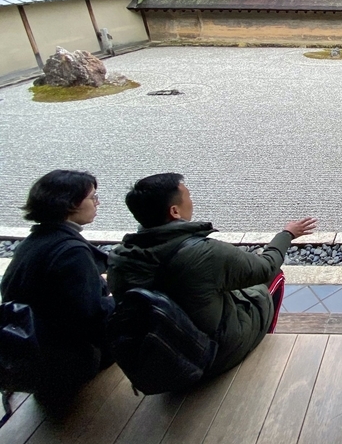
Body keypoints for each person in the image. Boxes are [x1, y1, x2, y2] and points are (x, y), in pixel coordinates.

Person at [107, 173, 316, 377]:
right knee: (272, 277)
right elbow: (264, 268)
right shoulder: (204, 252)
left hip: (160, 358)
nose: (191, 201)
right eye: (188, 196)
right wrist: (286, 234)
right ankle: (264, 338)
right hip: (211, 355)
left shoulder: (121, 258)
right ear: (174, 211)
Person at [1, 170, 114, 406]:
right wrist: (117, 298)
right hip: (66, 365)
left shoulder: (34, 242)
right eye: (92, 197)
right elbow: (92, 319)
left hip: (32, 356)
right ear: (71, 204)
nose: (97, 202)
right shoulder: (72, 252)